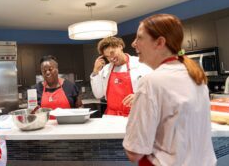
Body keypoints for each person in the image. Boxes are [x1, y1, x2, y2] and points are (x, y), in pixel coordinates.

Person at [123, 14, 216, 166]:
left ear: (159, 42)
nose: (133, 44)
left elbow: (134, 152)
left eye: (139, 37)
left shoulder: (150, 82)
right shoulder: (197, 77)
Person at [90, 36, 151, 116]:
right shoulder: (106, 69)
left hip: (135, 114)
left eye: (112, 53)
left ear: (120, 46)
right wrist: (95, 72)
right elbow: (98, 94)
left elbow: (156, 89)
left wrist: (140, 95)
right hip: (112, 116)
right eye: (107, 56)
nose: (111, 58)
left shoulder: (141, 64)